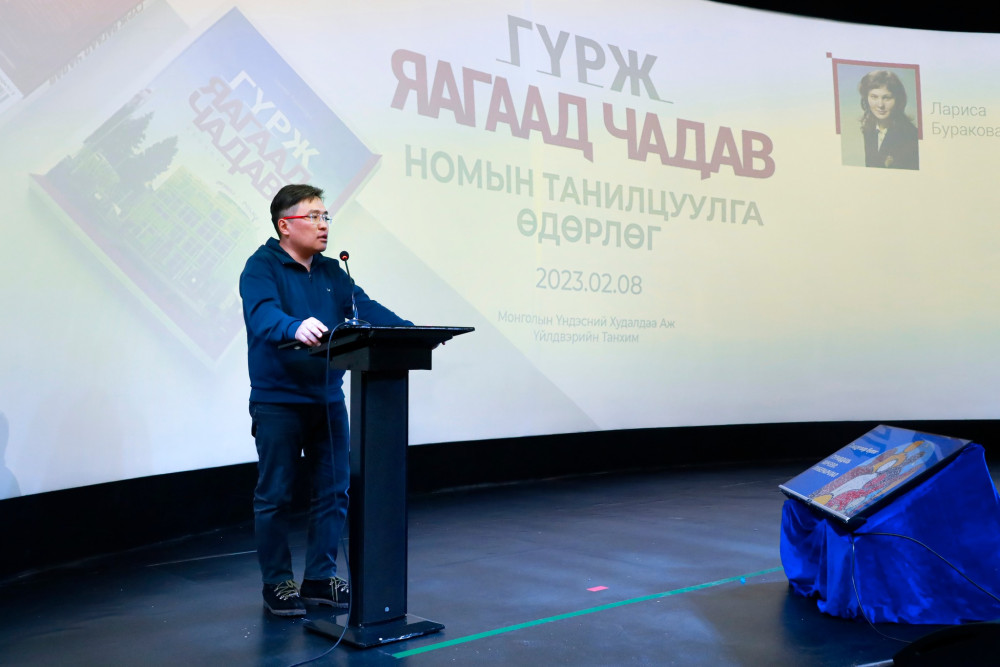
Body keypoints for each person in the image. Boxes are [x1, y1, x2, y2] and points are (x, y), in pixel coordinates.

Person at [239, 184, 411, 617]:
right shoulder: (261, 266)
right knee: (275, 495)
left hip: (328, 398)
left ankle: (320, 577)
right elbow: (262, 314)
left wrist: (410, 331)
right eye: (313, 217)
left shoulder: (334, 272)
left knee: (334, 491)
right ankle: (278, 582)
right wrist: (292, 326)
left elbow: (366, 309)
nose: (323, 225)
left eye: (325, 217)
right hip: (278, 401)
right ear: (285, 225)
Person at [858, 70, 918, 170]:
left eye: (887, 98)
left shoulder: (911, 136)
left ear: (898, 100)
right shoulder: (869, 130)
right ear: (866, 99)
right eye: (874, 97)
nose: (880, 105)